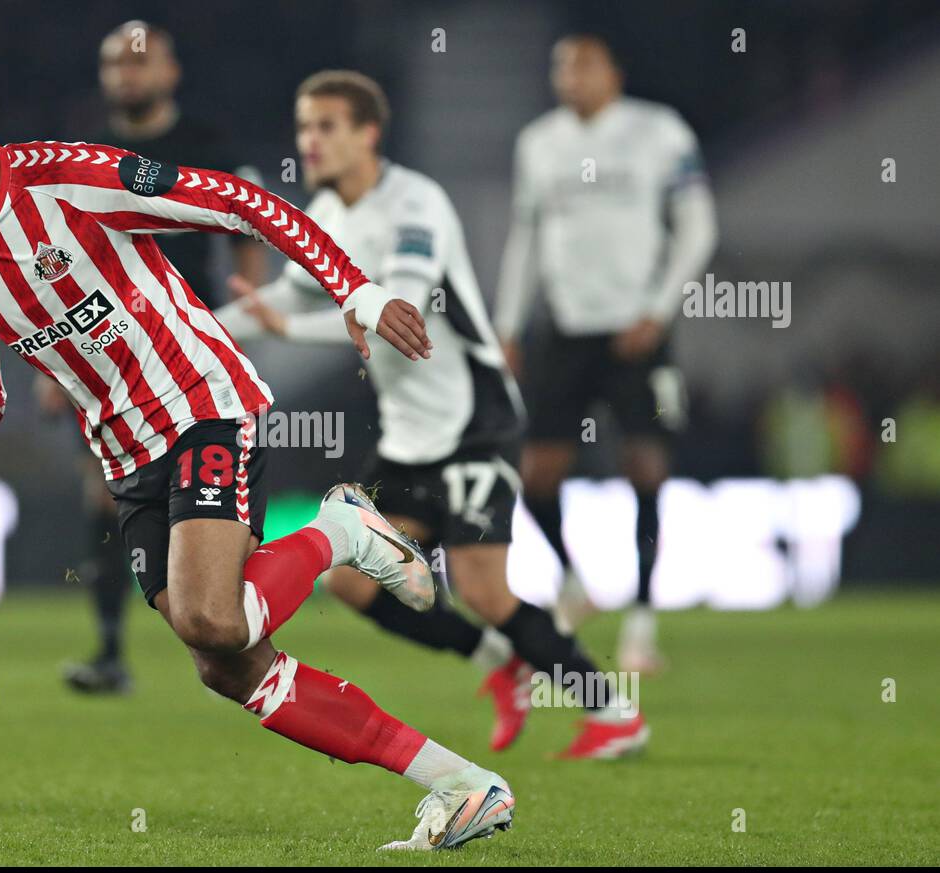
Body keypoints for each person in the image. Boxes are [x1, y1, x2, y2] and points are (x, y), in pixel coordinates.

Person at [0, 58, 513, 850]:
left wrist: (355, 290)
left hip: (200, 406)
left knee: (213, 618)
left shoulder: (71, 181)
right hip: (123, 454)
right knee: (227, 667)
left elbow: (241, 202)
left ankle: (343, 534)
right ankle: (461, 785)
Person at [219, 70, 647, 758]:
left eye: (327, 125)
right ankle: (498, 664)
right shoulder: (327, 216)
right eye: (304, 127)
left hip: (476, 422)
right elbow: (290, 301)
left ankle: (614, 710)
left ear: (368, 133)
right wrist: (188, 327)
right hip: (410, 436)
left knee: (483, 589)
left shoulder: (417, 202)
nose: (311, 141)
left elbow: (402, 309)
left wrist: (313, 322)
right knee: (353, 582)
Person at [52, 21, 267, 695]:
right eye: (115, 62)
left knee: (205, 505)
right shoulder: (86, 152)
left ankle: (230, 614)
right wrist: (55, 366)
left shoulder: (207, 144)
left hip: (191, 358)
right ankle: (112, 649)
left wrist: (248, 304)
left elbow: (248, 218)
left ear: (171, 72)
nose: (128, 73)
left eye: (140, 61)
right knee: (108, 500)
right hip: (106, 357)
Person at [494, 35, 718, 673]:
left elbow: (699, 227)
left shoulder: (659, 131)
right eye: (560, 64)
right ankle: (572, 581)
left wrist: (658, 309)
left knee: (646, 468)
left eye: (582, 63)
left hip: (636, 331)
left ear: (614, 72)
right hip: (567, 328)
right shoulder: (538, 142)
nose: (569, 75)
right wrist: (509, 324)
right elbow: (527, 237)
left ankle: (641, 629)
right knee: (538, 473)